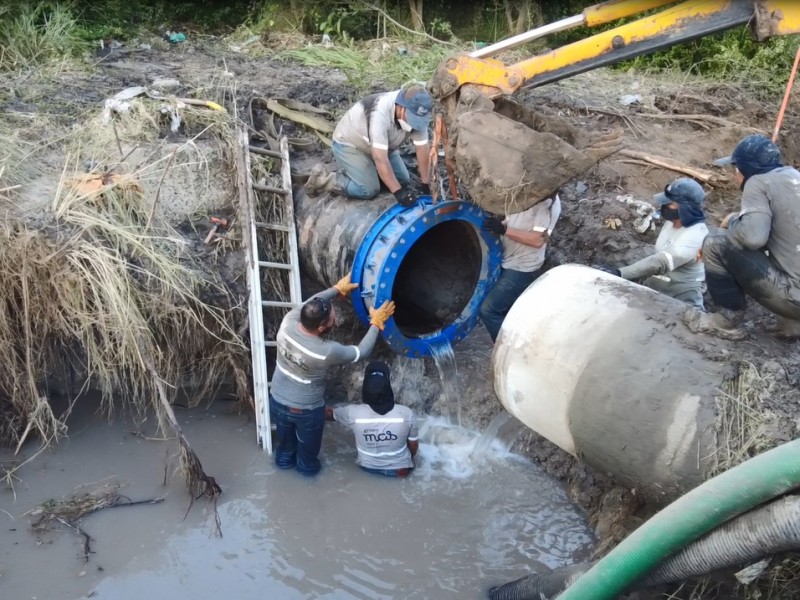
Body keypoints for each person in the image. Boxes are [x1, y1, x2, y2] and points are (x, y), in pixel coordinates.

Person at [270, 273, 396, 476]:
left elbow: (311, 303)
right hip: (306, 411)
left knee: (285, 449)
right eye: (331, 318)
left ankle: (282, 475)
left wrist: (337, 289)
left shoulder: (288, 322)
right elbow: (362, 352)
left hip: (277, 400)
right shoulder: (326, 351)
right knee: (308, 458)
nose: (334, 317)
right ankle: (308, 485)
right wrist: (376, 323)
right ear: (321, 327)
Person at [684, 134, 800, 340]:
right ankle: (792, 326)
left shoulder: (757, 182)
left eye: (735, 169)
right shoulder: (793, 177)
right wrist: (738, 217)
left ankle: (725, 322)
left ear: (743, 170)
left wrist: (733, 222)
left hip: (794, 298)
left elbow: (752, 238)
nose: (735, 175)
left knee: (715, 242)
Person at [305, 84, 433, 205]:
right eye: (412, 119)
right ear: (401, 108)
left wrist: (425, 184)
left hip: (384, 146)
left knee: (403, 180)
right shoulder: (379, 113)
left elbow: (422, 149)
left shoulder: (418, 114)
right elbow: (380, 158)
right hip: (351, 145)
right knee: (369, 189)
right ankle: (327, 180)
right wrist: (398, 193)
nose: (415, 124)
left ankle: (368, 172)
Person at [595, 178, 708, 308]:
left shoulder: (694, 237)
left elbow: (659, 262)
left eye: (669, 203)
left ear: (684, 208)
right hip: (657, 290)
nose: (664, 206)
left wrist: (620, 273)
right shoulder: (672, 223)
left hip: (680, 300)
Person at [479, 195, 562, 342]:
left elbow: (538, 240)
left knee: (489, 310)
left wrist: (504, 230)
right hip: (507, 259)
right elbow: (517, 222)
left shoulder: (547, 203)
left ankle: (505, 353)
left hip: (522, 267)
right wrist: (498, 225)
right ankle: (519, 343)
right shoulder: (527, 193)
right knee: (507, 311)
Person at [326, 361, 418, 478]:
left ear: (365, 388)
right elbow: (413, 447)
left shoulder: (352, 413)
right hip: (400, 471)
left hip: (367, 467)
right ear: (388, 387)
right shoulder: (406, 413)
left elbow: (329, 414)